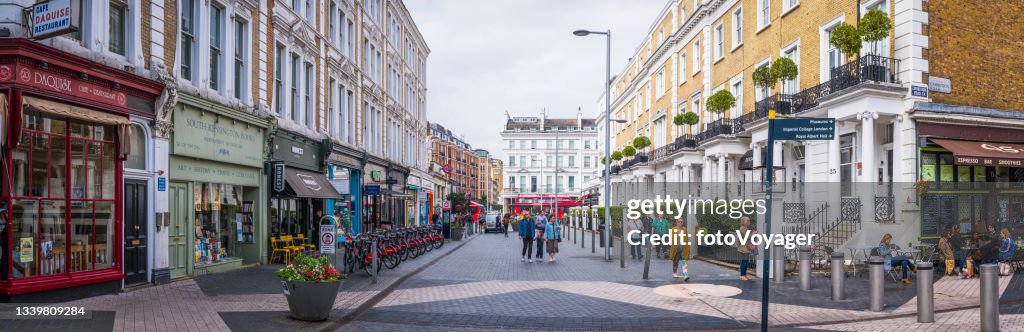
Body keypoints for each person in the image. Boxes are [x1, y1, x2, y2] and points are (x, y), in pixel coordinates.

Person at [737, 217, 753, 281]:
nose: (748, 222)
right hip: (743, 248)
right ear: (743, 221)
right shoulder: (742, 228)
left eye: (749, 220)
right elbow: (747, 237)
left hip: (746, 247)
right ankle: (742, 275)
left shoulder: (745, 228)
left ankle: (744, 274)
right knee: (744, 261)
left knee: (745, 261)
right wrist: (753, 234)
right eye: (747, 221)